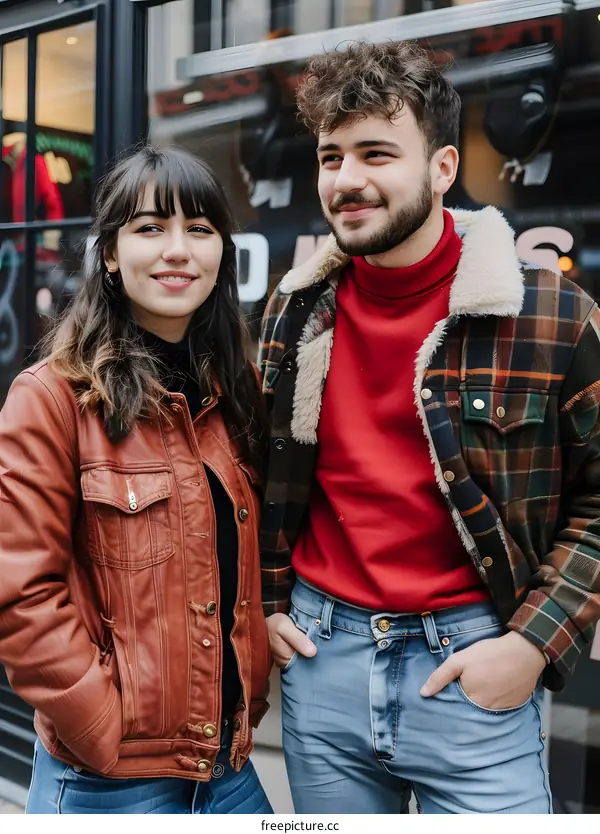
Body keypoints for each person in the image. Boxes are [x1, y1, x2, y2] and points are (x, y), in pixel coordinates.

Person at [258, 41, 600, 814]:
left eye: (376, 153)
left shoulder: (547, 312)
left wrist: (531, 645)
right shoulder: (294, 309)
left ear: (444, 168)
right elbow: (258, 480)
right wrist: (266, 607)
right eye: (330, 156)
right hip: (323, 664)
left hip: (475, 666)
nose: (347, 181)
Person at [0, 145, 273, 814]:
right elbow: (19, 593)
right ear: (113, 256)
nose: (178, 249)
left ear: (221, 255)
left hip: (229, 770)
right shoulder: (53, 397)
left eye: (200, 230)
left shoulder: (234, 393)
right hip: (109, 782)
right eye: (150, 228)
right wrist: (96, 723)